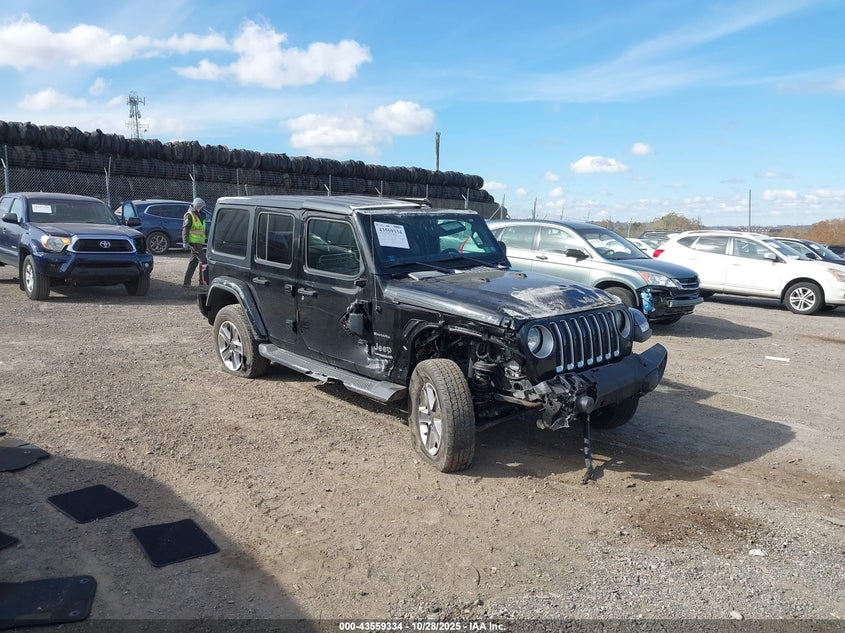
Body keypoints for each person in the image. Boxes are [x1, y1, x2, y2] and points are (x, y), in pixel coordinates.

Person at [182, 197, 208, 287]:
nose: (203, 209)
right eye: (202, 207)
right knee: (204, 261)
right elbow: (186, 229)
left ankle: (186, 283)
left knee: (193, 263)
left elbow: (201, 229)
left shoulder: (200, 214)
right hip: (194, 242)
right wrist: (185, 241)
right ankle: (202, 282)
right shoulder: (189, 215)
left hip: (198, 242)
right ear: (198, 206)